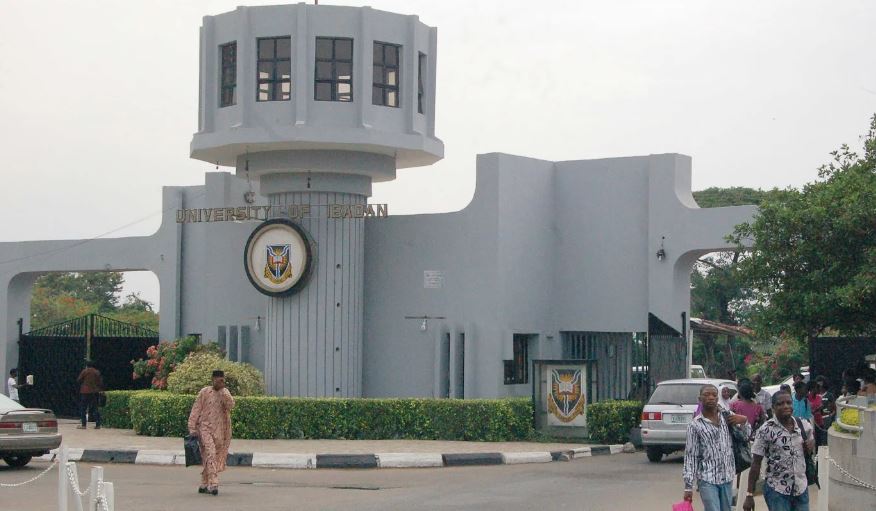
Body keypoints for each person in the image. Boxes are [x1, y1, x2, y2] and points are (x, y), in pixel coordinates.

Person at [743, 390, 815, 511]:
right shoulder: (765, 430)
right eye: (780, 404)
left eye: (788, 402)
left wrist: (811, 444)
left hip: (801, 488)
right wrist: (749, 494)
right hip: (777, 491)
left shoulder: (802, 424)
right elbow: (756, 463)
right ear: (773, 408)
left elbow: (812, 438)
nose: (786, 406)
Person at [683, 384, 750, 511]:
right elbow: (691, 456)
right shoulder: (695, 425)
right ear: (700, 399)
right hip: (707, 478)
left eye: (714, 395)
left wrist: (744, 421)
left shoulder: (727, 416)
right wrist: (688, 486)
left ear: (718, 398)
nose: (711, 398)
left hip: (727, 476)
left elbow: (745, 437)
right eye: (707, 395)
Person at [188, 370, 235, 496]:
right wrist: (192, 427)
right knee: (210, 453)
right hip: (204, 428)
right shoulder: (204, 392)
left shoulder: (225, 393)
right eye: (217, 380)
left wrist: (224, 392)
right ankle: (214, 483)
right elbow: (196, 409)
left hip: (220, 430)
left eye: (222, 380)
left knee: (209, 457)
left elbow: (231, 406)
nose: (219, 382)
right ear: (212, 379)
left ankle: (204, 483)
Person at [76, 361, 103, 429]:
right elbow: (100, 382)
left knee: (83, 408)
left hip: (85, 392)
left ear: (87, 365)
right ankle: (98, 424)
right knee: (95, 408)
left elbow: (79, 380)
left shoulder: (84, 371)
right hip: (94, 392)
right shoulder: (97, 372)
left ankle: (84, 425)